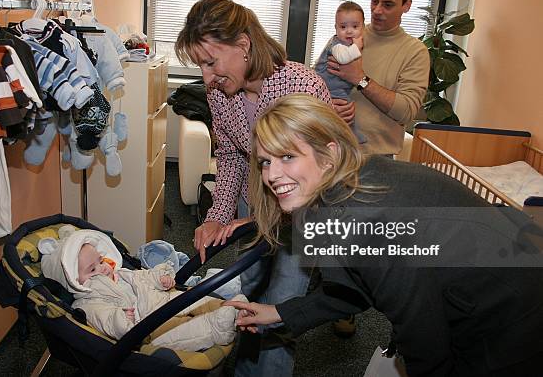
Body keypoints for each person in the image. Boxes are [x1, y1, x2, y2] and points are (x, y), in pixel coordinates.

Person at [225, 94, 543, 377]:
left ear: (329, 155)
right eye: (265, 161)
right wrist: (280, 312)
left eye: (288, 157)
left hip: (515, 306)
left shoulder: (363, 219)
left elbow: (423, 338)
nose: (271, 175)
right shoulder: (345, 189)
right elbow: (356, 289)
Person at [174, 0, 331, 376]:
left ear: (243, 45)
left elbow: (321, 174)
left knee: (279, 305)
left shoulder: (300, 85)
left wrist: (260, 223)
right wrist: (217, 216)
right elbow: (229, 155)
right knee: (250, 289)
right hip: (254, 201)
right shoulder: (218, 93)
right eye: (201, 66)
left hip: (301, 216)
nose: (207, 78)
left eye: (211, 63)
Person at [40, 225, 246, 351]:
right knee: (184, 333)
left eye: (100, 260)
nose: (103, 268)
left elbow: (142, 276)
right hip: (148, 329)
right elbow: (103, 319)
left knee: (196, 300)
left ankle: (227, 306)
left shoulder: (120, 274)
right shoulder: (87, 302)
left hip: (163, 300)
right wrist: (122, 321)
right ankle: (217, 327)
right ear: (74, 281)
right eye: (92, 268)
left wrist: (160, 277)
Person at [329, 0, 429, 156]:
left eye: (388, 4)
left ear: (406, 5)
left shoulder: (415, 52)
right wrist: (328, 105)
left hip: (377, 160)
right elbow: (316, 83)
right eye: (374, 1)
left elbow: (406, 111)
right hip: (333, 150)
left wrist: (360, 79)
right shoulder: (347, 35)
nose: (377, 10)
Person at [315, 1, 367, 144]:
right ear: (336, 28)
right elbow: (344, 58)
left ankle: (349, 133)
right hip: (328, 87)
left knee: (347, 107)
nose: (349, 31)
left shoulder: (349, 44)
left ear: (363, 27)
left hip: (339, 87)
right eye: (343, 27)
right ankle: (348, 134)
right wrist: (357, 46)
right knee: (345, 106)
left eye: (355, 26)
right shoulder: (337, 45)